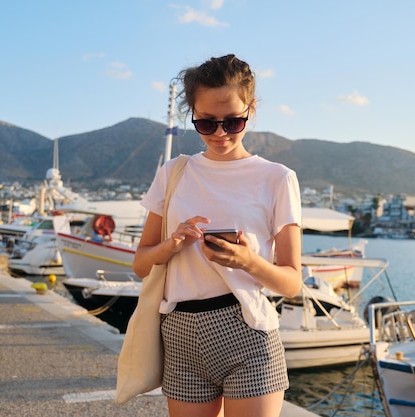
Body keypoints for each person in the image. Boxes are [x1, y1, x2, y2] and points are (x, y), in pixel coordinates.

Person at [133, 54, 302, 417]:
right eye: (206, 123)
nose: (221, 133)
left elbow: (291, 284)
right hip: (179, 332)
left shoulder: (277, 178)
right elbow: (141, 264)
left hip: (247, 331)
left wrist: (249, 262)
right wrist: (173, 243)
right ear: (191, 114)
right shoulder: (173, 172)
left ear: (251, 110)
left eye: (233, 121)